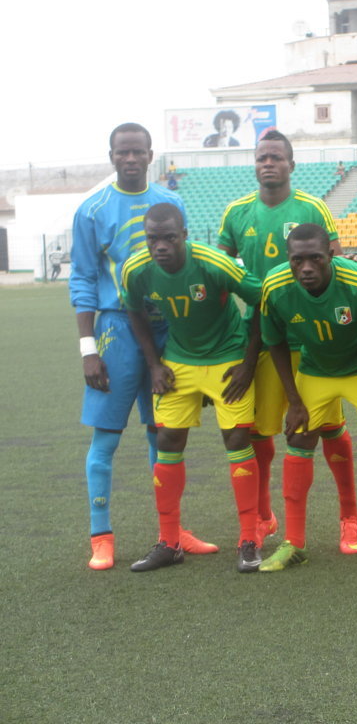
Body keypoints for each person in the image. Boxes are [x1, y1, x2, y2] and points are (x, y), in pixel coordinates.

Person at [69, 123, 214, 571]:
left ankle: (172, 533)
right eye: (122, 152)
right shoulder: (92, 210)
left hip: (167, 329)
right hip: (116, 329)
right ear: (111, 156)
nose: (130, 159)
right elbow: (83, 278)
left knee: (164, 434)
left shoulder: (171, 203)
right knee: (106, 436)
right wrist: (88, 349)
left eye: (137, 151)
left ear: (151, 155)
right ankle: (101, 536)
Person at [217, 131, 357, 553]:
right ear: (254, 164)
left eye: (276, 157)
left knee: (328, 427)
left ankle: (349, 517)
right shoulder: (237, 213)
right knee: (261, 433)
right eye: (262, 157)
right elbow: (221, 277)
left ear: (291, 164)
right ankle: (263, 517)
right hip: (262, 338)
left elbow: (336, 263)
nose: (268, 163)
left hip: (313, 337)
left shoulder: (312, 208)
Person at [122, 203, 264, 572]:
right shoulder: (136, 270)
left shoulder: (214, 263)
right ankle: (169, 542)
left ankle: (249, 540)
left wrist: (248, 364)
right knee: (167, 439)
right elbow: (133, 310)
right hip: (179, 360)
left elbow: (262, 298)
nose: (161, 246)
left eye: (169, 238)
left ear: (184, 235)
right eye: (153, 239)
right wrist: (154, 365)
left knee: (237, 439)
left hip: (227, 356)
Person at [259, 225, 357, 572]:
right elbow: (275, 342)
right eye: (298, 260)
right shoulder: (275, 286)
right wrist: (293, 400)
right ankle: (294, 543)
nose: (306, 268)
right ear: (288, 259)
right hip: (316, 369)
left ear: (331, 256)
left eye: (315, 259)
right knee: (298, 437)